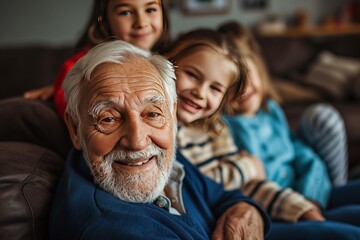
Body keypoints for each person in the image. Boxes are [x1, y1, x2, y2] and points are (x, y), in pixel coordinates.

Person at [49, 39, 270, 240]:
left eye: (152, 113)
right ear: (75, 129)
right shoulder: (114, 229)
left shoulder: (166, 155)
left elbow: (220, 195)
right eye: (109, 119)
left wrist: (245, 209)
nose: (138, 141)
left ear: (172, 114)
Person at [166, 27, 360, 240]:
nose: (200, 93)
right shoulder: (163, 129)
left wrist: (300, 208)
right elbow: (204, 184)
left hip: (274, 201)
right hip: (242, 218)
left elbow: (253, 185)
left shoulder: (215, 132)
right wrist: (248, 167)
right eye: (192, 75)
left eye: (215, 88)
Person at [0, 0, 171, 157]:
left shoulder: (173, 60)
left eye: (150, 9)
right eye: (125, 12)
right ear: (103, 19)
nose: (141, 22)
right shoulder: (81, 68)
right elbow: (80, 115)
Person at [218, 20, 348, 187]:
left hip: (311, 191)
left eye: (247, 75)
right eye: (232, 83)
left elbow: (296, 151)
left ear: (258, 68)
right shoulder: (227, 129)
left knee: (323, 116)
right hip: (287, 205)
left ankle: (339, 187)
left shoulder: (270, 109)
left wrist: (314, 186)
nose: (242, 90)